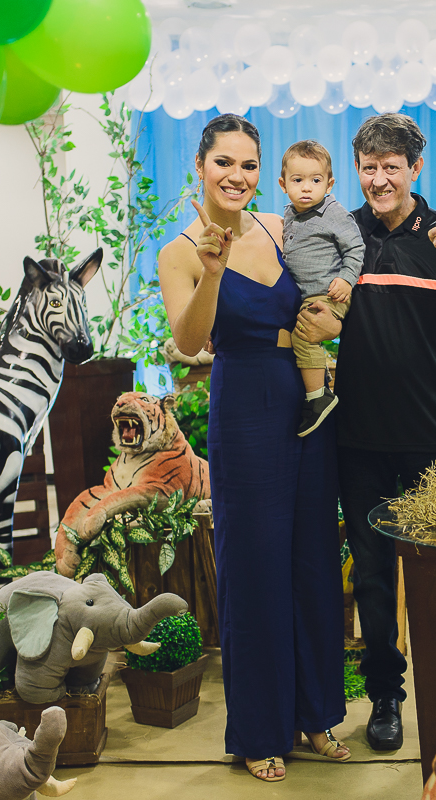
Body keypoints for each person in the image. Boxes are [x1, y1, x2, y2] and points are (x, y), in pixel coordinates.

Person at [157, 114, 349, 783]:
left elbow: (331, 292)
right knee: (255, 565)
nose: (237, 176)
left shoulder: (283, 224)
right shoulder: (180, 251)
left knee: (313, 556)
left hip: (305, 393)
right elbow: (188, 342)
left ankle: (317, 713)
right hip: (243, 402)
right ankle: (259, 729)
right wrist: (212, 272)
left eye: (248, 164)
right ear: (201, 167)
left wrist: (335, 315)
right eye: (224, 164)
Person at [297, 113, 436, 751]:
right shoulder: (341, 233)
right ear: (356, 170)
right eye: (369, 166)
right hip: (357, 440)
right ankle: (385, 695)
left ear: (415, 170)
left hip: (433, 435)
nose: (380, 178)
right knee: (374, 577)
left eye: (392, 166)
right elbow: (316, 314)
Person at [276, 139, 365, 437]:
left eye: (315, 180)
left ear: (329, 184)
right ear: (282, 183)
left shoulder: (333, 212)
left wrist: (346, 279)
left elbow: (355, 247)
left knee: (303, 335)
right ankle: (318, 380)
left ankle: (319, 397)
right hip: (306, 293)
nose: (306, 187)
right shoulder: (290, 215)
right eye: (297, 180)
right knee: (296, 333)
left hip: (329, 293)